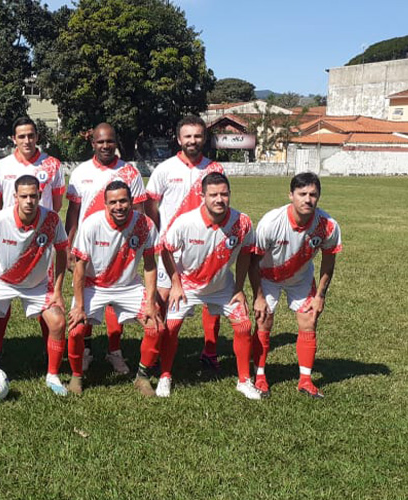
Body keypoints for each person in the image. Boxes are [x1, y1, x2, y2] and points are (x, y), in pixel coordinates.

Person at [159, 172, 262, 400]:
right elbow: (165, 248)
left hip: (223, 287)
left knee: (244, 326)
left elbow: (246, 253)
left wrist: (238, 287)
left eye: (224, 194)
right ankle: (165, 375)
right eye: (213, 194)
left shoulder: (242, 222)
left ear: (230, 195)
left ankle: (244, 380)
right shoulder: (186, 222)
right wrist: (175, 284)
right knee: (171, 328)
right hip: (187, 285)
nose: (219, 199)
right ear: (202, 195)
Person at [0, 175, 70, 395]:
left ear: (40, 196)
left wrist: (57, 291)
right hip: (1, 280)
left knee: (58, 322)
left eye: (33, 196)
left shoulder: (52, 220)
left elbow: (62, 253)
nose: (29, 201)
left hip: (37, 284)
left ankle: (52, 376)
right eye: (23, 196)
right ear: (15, 197)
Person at [249, 172, 342, 398]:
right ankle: (259, 375)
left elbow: (328, 262)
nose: (307, 199)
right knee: (264, 319)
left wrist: (320, 295)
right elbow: (252, 262)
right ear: (291, 195)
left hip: (300, 278)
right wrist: (258, 296)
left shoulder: (328, 226)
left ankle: (305, 380)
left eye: (313, 194)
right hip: (268, 276)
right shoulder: (271, 222)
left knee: (309, 320)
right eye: (302, 194)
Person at [65, 123, 148, 375]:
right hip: (89, 246)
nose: (105, 146)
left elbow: (140, 211)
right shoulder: (80, 172)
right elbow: (73, 211)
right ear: (93, 143)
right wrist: (69, 245)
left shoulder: (130, 172)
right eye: (100, 142)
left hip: (121, 247)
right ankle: (86, 351)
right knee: (88, 294)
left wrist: (139, 245)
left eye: (110, 141)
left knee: (115, 298)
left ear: (116, 143)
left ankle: (115, 352)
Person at [145, 115, 226, 373]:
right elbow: (151, 206)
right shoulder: (165, 169)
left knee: (211, 298)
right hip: (171, 249)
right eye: (188, 136)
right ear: (179, 139)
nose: (193, 140)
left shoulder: (215, 170)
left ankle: (210, 351)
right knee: (163, 299)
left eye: (198, 136)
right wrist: (161, 235)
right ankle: (158, 354)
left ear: (204, 138)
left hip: (207, 246)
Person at [67, 180, 163, 395]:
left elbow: (149, 265)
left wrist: (150, 302)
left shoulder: (145, 224)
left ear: (131, 202)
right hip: (94, 285)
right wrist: (79, 305)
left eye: (123, 201)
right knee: (75, 330)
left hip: (128, 286)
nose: (118, 206)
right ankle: (76, 377)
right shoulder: (91, 224)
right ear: (105, 204)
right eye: (113, 202)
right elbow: (79, 267)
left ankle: (142, 377)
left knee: (156, 327)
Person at [0, 116, 66, 365]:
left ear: (37, 137)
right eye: (21, 136)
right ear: (14, 139)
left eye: (31, 135)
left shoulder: (53, 165)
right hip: (10, 239)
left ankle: (48, 349)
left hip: (40, 243)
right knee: (2, 294)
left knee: (46, 295)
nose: (27, 140)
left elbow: (56, 204)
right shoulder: (1, 166)